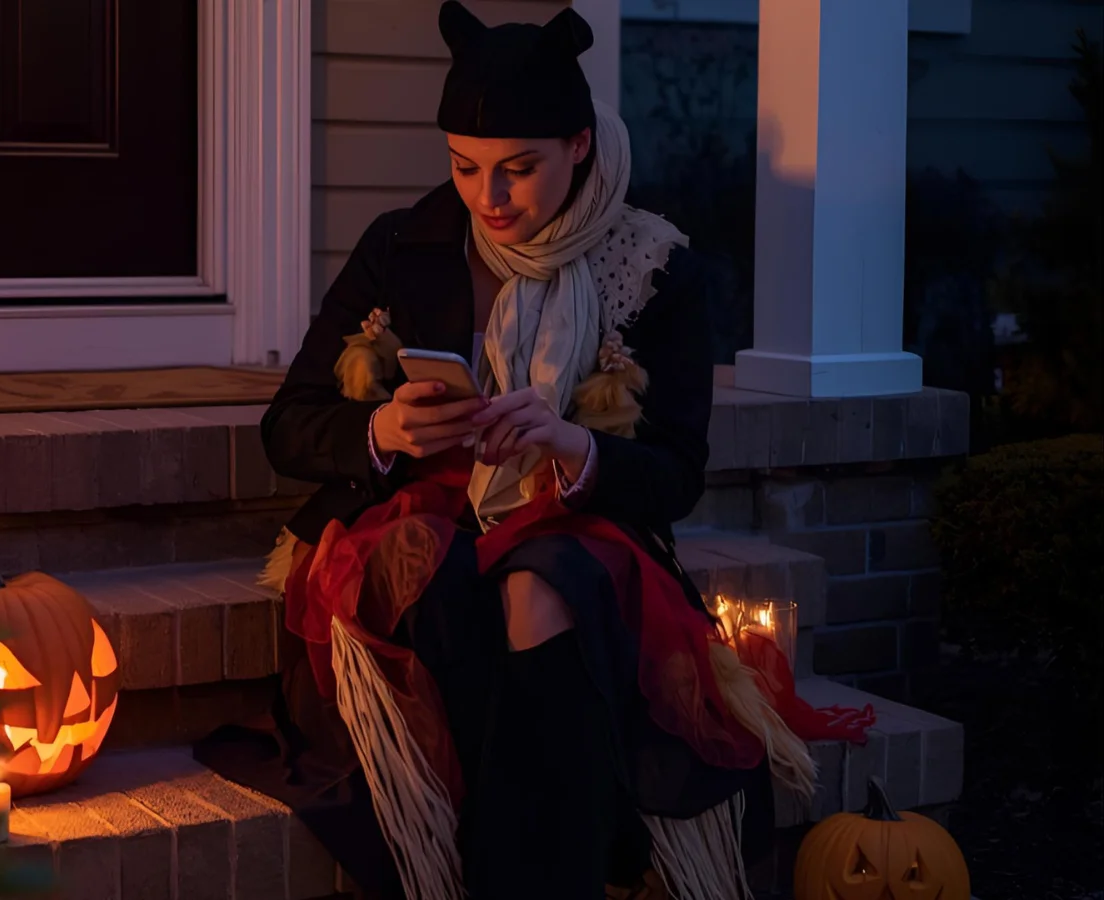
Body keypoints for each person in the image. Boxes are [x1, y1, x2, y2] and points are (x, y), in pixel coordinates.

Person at [194, 5, 871, 898]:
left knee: (541, 585)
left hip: (572, 514)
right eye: (465, 167)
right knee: (429, 567)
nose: (490, 198)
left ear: (579, 145)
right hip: (424, 506)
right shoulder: (403, 245)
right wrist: (383, 431)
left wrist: (574, 444)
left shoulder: (654, 269)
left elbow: (674, 474)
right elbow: (289, 426)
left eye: (518, 169)